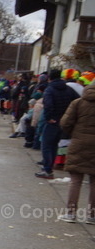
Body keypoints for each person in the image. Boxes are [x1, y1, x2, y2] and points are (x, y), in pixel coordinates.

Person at [58, 80, 95, 223]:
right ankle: (92, 215)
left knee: (75, 180)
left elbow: (65, 123)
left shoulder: (78, 103)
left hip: (78, 143)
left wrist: (74, 133)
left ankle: (71, 213)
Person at [36, 69, 79, 178]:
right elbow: (77, 101)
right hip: (63, 120)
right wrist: (69, 116)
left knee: (46, 145)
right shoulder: (68, 89)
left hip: (53, 120)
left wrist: (48, 117)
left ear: (49, 78)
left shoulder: (50, 89)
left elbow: (48, 104)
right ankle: (49, 167)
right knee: (54, 145)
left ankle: (47, 169)